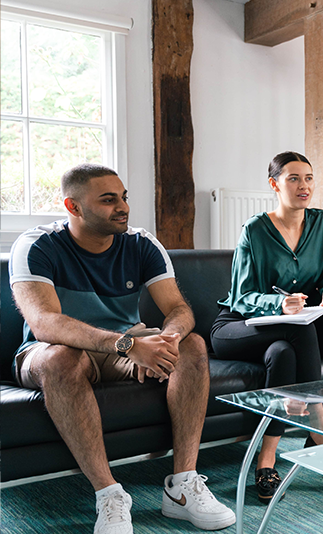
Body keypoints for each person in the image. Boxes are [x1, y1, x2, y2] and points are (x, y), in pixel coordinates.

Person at [8, 164, 235, 534]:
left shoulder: (141, 243)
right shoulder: (36, 246)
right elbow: (44, 323)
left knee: (192, 345)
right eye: (109, 199)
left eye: (124, 197)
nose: (123, 207)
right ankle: (109, 494)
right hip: (50, 349)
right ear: (74, 206)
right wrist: (127, 345)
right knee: (62, 358)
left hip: (123, 344)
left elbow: (178, 310)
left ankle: (183, 486)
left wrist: (169, 339)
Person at [210, 151, 323, 503]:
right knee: (298, 331)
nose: (304, 186)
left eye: (309, 178)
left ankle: (265, 460)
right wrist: (278, 303)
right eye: (293, 179)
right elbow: (241, 296)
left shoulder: (322, 223)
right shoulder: (255, 229)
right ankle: (318, 422)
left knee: (284, 354)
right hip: (237, 328)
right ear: (274, 184)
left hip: (281, 335)